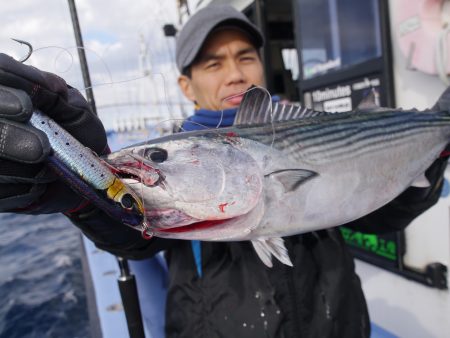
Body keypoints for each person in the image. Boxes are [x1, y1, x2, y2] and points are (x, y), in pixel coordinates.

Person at [0, 4, 447, 338]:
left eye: (245, 57)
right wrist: (85, 198)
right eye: (213, 63)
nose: (234, 74)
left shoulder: (309, 125)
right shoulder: (174, 188)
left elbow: (382, 216)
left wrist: (436, 146)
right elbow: (133, 235)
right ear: (186, 85)